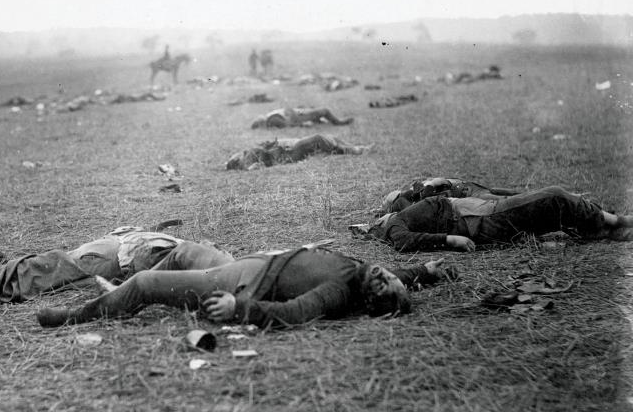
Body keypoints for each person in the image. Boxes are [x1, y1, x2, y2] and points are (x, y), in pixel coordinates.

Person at [37, 243, 456, 329]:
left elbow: (294, 314)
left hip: (240, 282)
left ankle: (78, 315)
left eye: (384, 287)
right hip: (248, 262)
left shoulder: (342, 290)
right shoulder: (366, 273)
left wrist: (240, 310)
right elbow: (393, 277)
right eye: (391, 277)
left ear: (369, 300)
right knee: (187, 249)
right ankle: (116, 291)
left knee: (147, 283)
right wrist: (424, 271)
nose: (385, 276)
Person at [0, 227, 234, 309]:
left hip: (115, 258)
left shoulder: (201, 262)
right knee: (45, 268)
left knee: (41, 268)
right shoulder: (200, 255)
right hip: (119, 249)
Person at [367, 185, 633, 252]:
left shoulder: (406, 210)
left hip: (482, 211)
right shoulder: (394, 224)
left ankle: (600, 228)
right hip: (481, 219)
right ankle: (616, 221)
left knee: (551, 205)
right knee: (554, 196)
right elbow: (403, 241)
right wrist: (451, 240)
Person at [226, 134, 372, 171]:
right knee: (318, 138)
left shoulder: (248, 154)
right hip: (287, 155)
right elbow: (256, 166)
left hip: (287, 149)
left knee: (326, 138)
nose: (239, 153)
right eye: (235, 157)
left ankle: (356, 147)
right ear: (236, 161)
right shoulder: (247, 160)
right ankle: (356, 150)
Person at [379, 177, 522, 214]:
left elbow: (440, 181)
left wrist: (430, 186)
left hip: (468, 188)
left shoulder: (421, 188)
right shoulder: (419, 199)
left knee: (502, 196)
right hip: (469, 193)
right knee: (504, 199)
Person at [250, 107, 353, 129]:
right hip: (298, 116)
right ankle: (339, 122)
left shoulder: (270, 117)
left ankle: (322, 122)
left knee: (316, 113)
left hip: (297, 113)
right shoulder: (272, 118)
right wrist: (302, 125)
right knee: (324, 111)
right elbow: (287, 124)